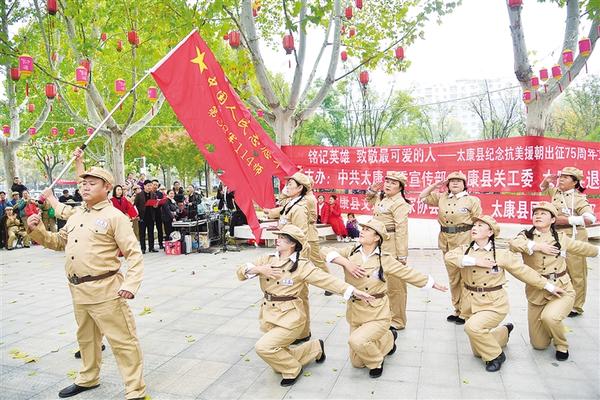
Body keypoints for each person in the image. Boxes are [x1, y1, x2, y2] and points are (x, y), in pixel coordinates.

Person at [27, 167, 146, 399]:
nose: (85, 187)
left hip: (107, 291)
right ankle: (89, 377)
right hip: (78, 290)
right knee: (86, 339)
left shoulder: (115, 217)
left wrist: (130, 285)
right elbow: (58, 242)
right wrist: (37, 230)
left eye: (92, 183)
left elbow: (134, 254)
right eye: (83, 183)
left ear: (107, 187)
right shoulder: (76, 215)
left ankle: (135, 389)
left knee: (123, 341)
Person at [237, 224, 373, 386]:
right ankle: (315, 348)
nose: (277, 240)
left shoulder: (301, 266)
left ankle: (293, 369)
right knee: (278, 355)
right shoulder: (267, 259)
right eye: (278, 237)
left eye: (282, 238)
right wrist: (259, 269)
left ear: (292, 243)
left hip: (290, 318)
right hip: (268, 315)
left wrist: (353, 291)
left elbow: (327, 280)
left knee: (264, 347)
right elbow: (241, 271)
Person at [323, 219, 447, 378]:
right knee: (357, 363)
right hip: (356, 313)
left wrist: (432, 283)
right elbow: (324, 251)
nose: (362, 231)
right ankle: (389, 338)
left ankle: (376, 362)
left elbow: (408, 273)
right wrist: (346, 263)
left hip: (377, 313)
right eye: (363, 228)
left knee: (356, 341)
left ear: (377, 237)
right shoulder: (351, 252)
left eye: (367, 229)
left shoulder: (385, 259)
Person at [444, 215, 564, 372]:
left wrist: (548, 286)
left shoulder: (501, 254)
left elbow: (523, 271)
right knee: (478, 352)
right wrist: (475, 261)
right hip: (471, 304)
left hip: (494, 304)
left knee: (472, 328)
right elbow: (449, 257)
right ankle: (504, 332)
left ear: (490, 232)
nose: (474, 228)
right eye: (474, 225)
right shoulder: (464, 249)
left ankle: (496, 356)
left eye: (480, 226)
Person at [509, 202, 598, 361]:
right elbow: (513, 244)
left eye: (543, 213)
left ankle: (561, 344)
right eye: (536, 213)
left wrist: (596, 251)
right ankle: (550, 328)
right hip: (537, 292)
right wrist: (536, 246)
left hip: (561, 289)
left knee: (550, 317)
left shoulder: (561, 238)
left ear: (552, 220)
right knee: (539, 345)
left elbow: (582, 248)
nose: (538, 216)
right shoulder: (525, 236)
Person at [419, 171, 482, 324]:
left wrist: (478, 244)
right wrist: (435, 185)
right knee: (453, 278)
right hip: (446, 241)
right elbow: (422, 197)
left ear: (464, 185)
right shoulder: (442, 198)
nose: (455, 183)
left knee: (465, 277)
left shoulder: (472, 200)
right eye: (452, 181)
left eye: (459, 181)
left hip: (464, 240)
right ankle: (457, 309)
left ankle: (466, 312)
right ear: (447, 184)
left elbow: (479, 222)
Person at [263, 172, 314, 344]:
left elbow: (301, 236)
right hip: (287, 255)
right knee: (290, 294)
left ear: (300, 188)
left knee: (299, 294)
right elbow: (282, 206)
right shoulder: (291, 203)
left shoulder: (299, 208)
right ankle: (293, 330)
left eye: (291, 184)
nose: (287, 187)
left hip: (295, 257)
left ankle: (303, 332)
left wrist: (297, 261)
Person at [540, 167, 597, 317]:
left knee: (576, 272)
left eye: (566, 177)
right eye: (561, 176)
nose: (561, 179)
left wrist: (566, 220)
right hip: (556, 236)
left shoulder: (578, 198)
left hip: (574, 237)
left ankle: (576, 306)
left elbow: (590, 218)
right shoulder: (556, 192)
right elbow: (543, 188)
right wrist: (546, 180)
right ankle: (561, 299)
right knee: (557, 269)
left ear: (575, 182)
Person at [366, 172, 411, 331]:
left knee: (395, 285)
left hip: (391, 246)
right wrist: (372, 190)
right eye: (387, 181)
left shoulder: (400, 203)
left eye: (393, 183)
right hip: (378, 244)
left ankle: (398, 320)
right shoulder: (382, 197)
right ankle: (384, 315)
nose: (388, 185)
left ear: (400, 187)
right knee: (379, 282)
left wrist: (401, 255)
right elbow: (369, 201)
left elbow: (401, 229)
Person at [134, 180, 157, 254]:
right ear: (144, 186)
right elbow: (135, 206)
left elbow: (155, 204)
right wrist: (137, 215)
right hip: (142, 217)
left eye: (150, 185)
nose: (149, 187)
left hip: (151, 216)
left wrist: (155, 206)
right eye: (148, 185)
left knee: (151, 233)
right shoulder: (139, 195)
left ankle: (151, 247)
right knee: (142, 233)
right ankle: (143, 248)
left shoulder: (153, 194)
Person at [151, 180, 164, 249]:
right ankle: (151, 245)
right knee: (151, 229)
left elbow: (162, 202)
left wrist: (158, 203)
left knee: (160, 229)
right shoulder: (149, 193)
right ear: (151, 185)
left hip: (158, 212)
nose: (155, 186)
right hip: (151, 213)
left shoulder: (160, 194)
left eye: (156, 185)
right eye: (154, 184)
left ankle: (160, 243)